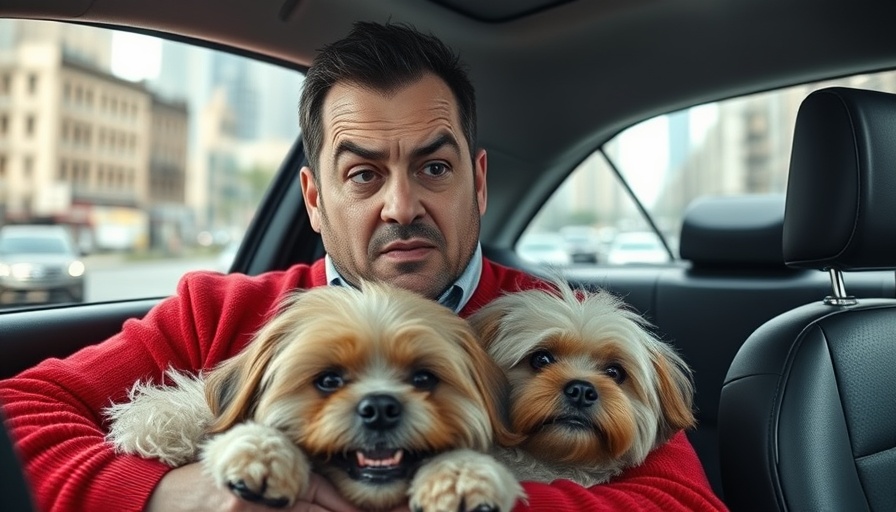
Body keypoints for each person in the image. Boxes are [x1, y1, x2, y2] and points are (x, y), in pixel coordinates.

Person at [0, 21, 727, 512]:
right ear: (313, 198)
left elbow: (687, 503)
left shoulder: (553, 330)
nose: (401, 204)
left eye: (432, 167)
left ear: (477, 182)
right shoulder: (215, 312)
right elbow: (18, 413)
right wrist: (176, 494)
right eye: (363, 175)